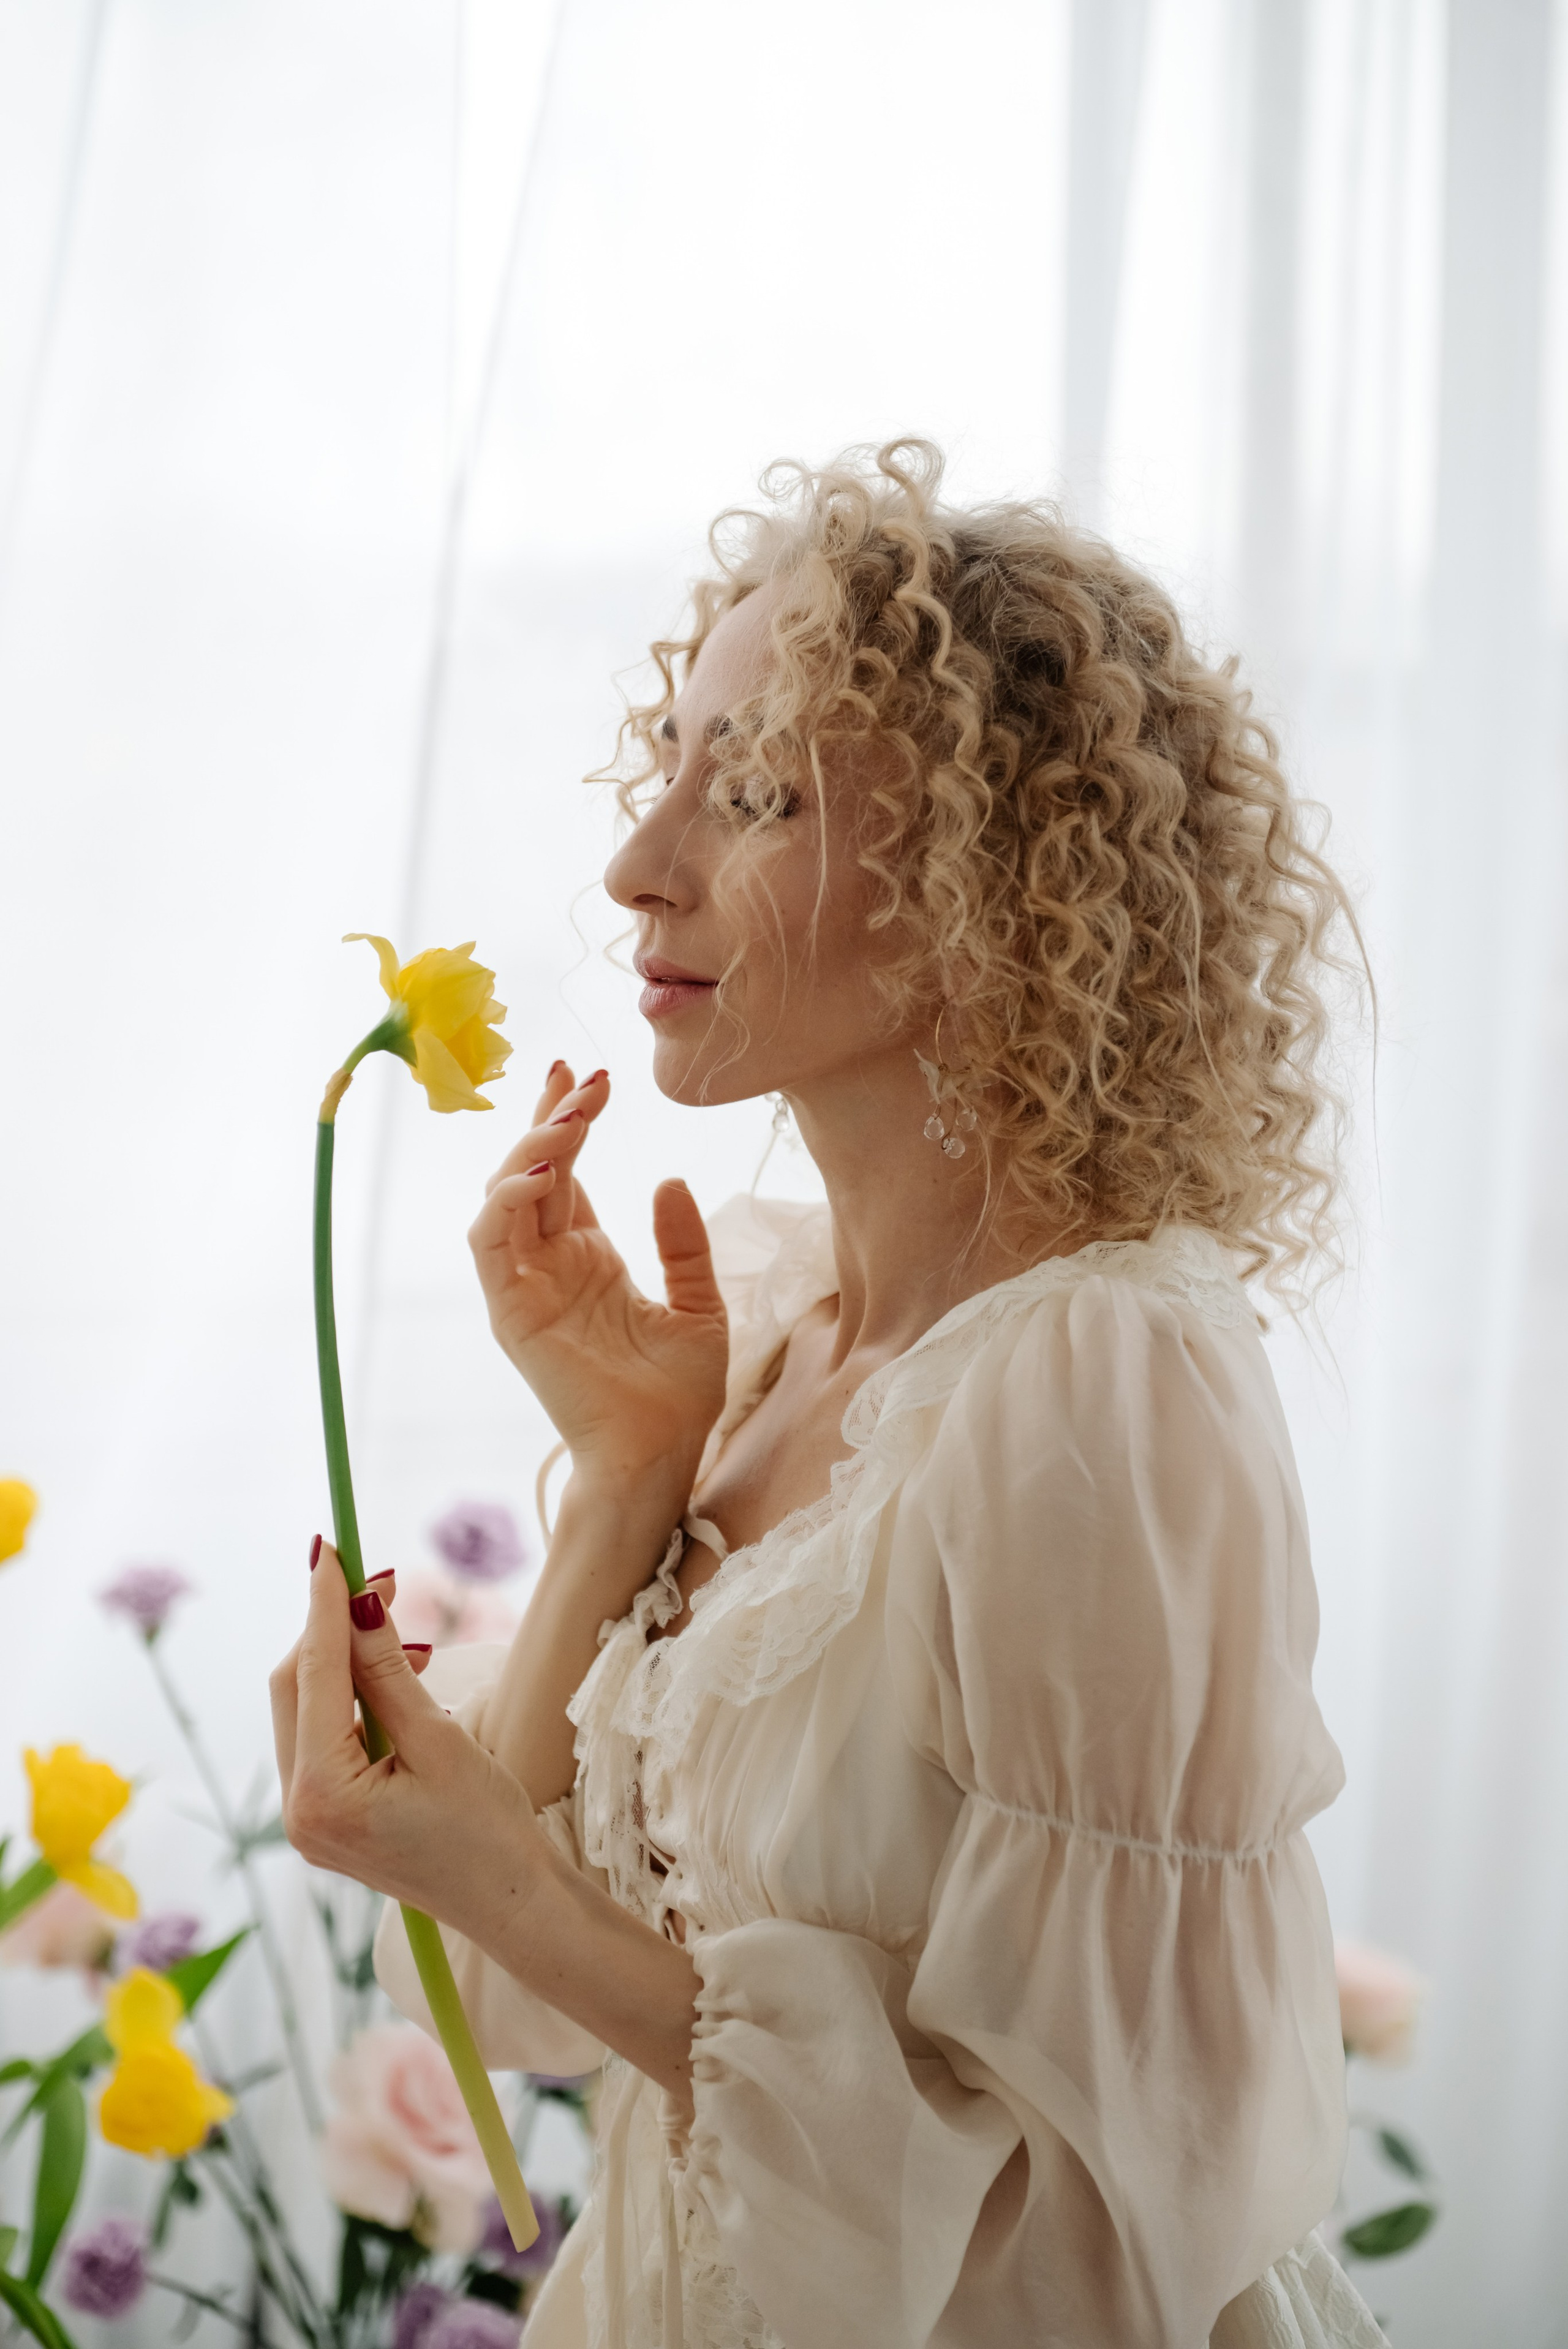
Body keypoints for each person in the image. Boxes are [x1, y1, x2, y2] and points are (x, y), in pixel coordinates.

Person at [271, 443, 1387, 2348]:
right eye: (674, 768)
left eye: (759, 788)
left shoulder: (1100, 1396)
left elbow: (1090, 2256)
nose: (638, 866)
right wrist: (625, 1485)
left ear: (1002, 885)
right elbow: (503, 2006)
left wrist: (515, 1898)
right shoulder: (784, 1344)